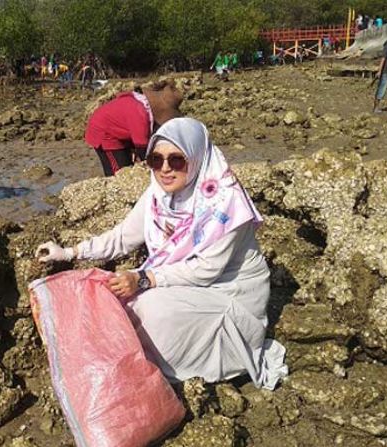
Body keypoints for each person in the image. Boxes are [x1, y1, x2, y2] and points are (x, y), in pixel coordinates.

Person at [37, 117, 288, 390]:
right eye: (156, 160)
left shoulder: (224, 204)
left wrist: (144, 279)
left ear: (196, 157)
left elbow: (207, 270)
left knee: (149, 310)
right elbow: (123, 237)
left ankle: (166, 372)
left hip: (230, 294)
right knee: (115, 301)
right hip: (184, 283)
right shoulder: (159, 193)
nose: (165, 169)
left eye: (176, 160)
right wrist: (69, 252)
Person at [85, 80, 183, 177]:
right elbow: (143, 149)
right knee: (119, 172)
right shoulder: (140, 114)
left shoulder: (144, 106)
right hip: (104, 133)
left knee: (128, 165)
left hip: (120, 129)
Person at [374, 39, 387, 113]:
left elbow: (383, 59)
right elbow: (383, 59)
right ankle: (377, 107)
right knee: (386, 90)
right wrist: (380, 71)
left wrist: (379, 71)